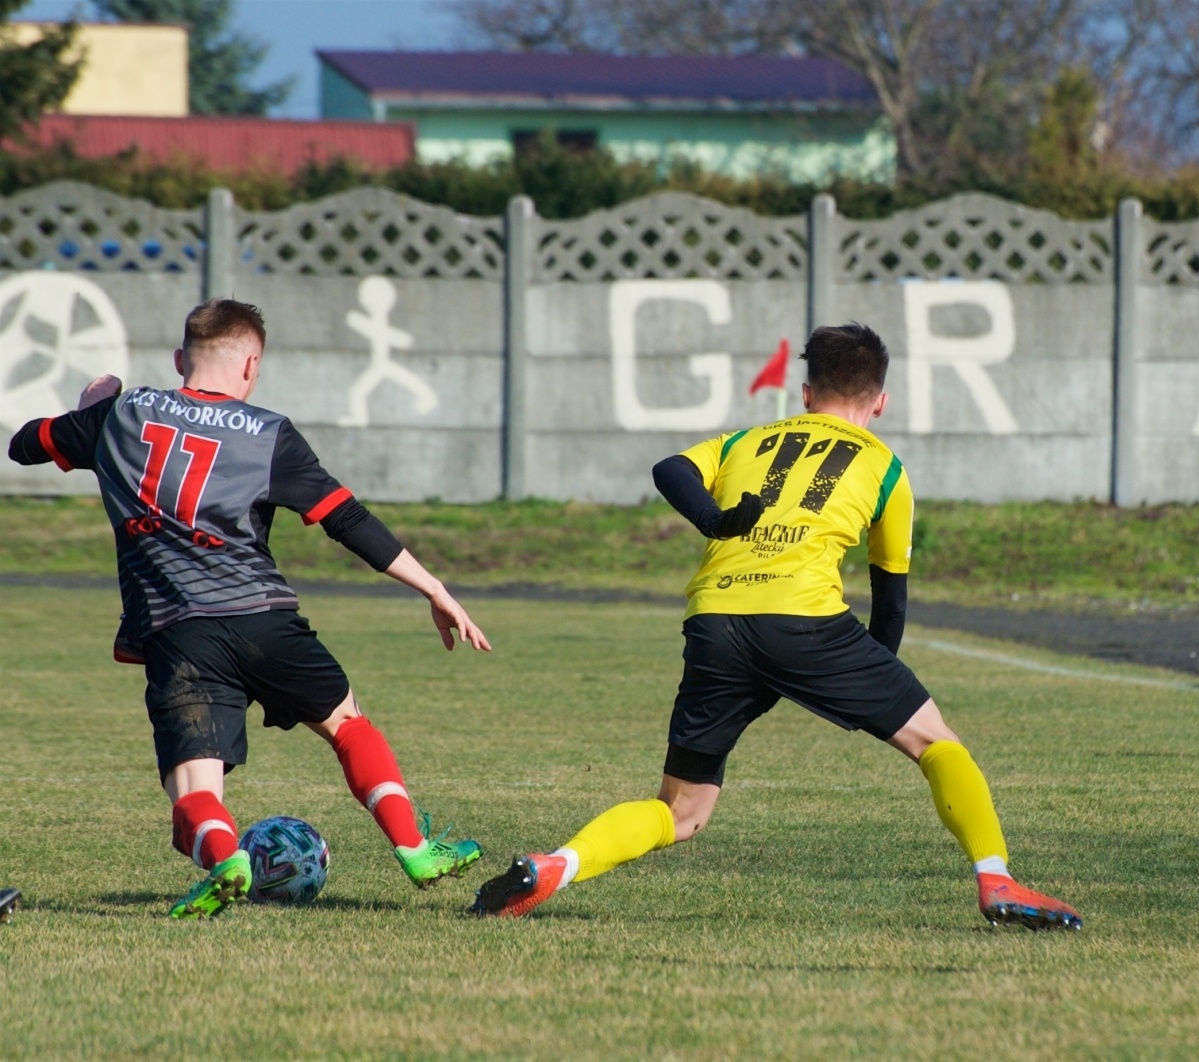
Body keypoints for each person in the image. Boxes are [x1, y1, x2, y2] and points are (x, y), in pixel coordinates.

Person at [473, 323, 1082, 931]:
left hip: (715, 623)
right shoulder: (886, 468)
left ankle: (557, 864)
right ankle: (995, 876)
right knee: (936, 742)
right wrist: (869, 688)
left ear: (807, 392)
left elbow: (669, 469)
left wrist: (715, 520)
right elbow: (888, 601)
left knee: (680, 812)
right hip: (807, 625)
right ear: (880, 401)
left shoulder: (748, 439)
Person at [7, 299, 492, 919]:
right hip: (267, 619)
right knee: (348, 725)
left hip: (180, 635)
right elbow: (348, 520)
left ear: (182, 359)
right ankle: (417, 849)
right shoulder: (268, 433)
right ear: (251, 363)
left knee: (193, 787)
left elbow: (24, 446)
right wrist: (434, 589)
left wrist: (85, 415)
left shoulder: (120, 414)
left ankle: (225, 859)